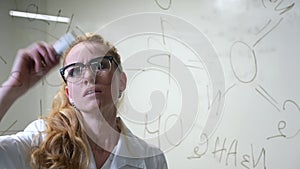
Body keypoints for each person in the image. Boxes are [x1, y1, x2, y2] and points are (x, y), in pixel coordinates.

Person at [0, 33, 168, 169]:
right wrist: (13, 86)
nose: (89, 76)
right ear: (69, 93)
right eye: (74, 71)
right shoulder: (41, 139)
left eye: (101, 65)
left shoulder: (152, 159)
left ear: (122, 81)